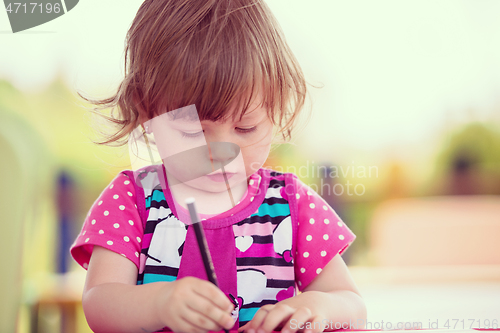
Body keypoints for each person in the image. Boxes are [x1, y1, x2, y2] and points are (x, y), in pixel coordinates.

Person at [70, 1, 367, 332]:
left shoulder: (291, 203)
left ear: (275, 110)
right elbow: (100, 301)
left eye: (245, 128)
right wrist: (159, 303)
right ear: (146, 110)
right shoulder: (132, 200)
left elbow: (351, 303)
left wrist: (318, 305)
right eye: (192, 131)